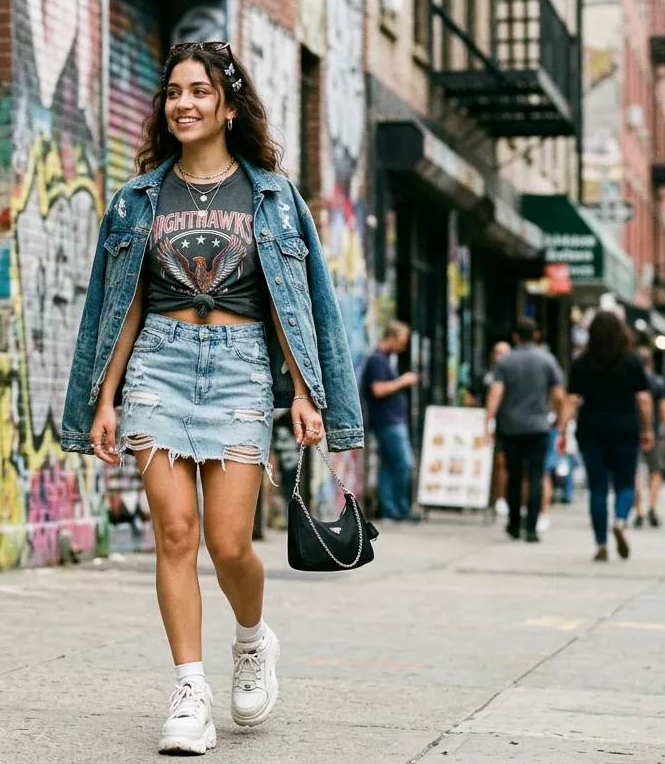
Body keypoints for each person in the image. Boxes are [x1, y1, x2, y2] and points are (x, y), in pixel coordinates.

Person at [59, 42, 363, 755]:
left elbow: (298, 303)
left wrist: (307, 393)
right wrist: (103, 400)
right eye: (173, 93)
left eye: (199, 91)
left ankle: (254, 641)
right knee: (175, 534)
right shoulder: (138, 199)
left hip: (239, 371)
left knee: (230, 545)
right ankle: (189, 691)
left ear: (228, 106)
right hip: (157, 366)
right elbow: (119, 304)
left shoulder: (273, 197)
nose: (184, 104)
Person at [558, 312, 653, 561]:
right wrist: (648, 429)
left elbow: (571, 399)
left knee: (597, 488)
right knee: (625, 484)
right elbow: (643, 399)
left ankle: (601, 545)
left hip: (591, 431)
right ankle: (620, 521)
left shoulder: (582, 363)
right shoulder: (632, 362)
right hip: (624, 430)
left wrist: (560, 430)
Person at [485, 318, 564, 542]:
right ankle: (531, 527)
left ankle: (513, 523)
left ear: (515, 337)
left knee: (514, 475)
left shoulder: (505, 362)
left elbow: (496, 392)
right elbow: (559, 395)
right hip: (539, 427)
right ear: (536, 335)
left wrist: (488, 421)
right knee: (537, 475)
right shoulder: (547, 361)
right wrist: (556, 418)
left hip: (511, 427)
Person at [362, 321, 419, 522]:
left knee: (388, 464)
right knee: (404, 462)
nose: (403, 347)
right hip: (388, 421)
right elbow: (378, 389)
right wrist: (403, 381)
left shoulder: (385, 359)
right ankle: (399, 507)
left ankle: (390, 508)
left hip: (389, 420)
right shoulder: (378, 360)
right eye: (402, 342)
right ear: (392, 338)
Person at [632, 347, 665, 529]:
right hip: (653, 433)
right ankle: (652, 505)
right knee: (655, 471)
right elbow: (664, 410)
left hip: (631, 431)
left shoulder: (629, 380)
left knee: (634, 472)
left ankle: (638, 510)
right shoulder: (658, 382)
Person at [484, 341, 512, 516]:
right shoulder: (487, 374)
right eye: (496, 352)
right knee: (497, 463)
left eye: (503, 352)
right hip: (492, 422)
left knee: (507, 463)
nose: (499, 356)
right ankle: (496, 497)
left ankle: (506, 498)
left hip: (509, 422)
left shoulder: (513, 372)